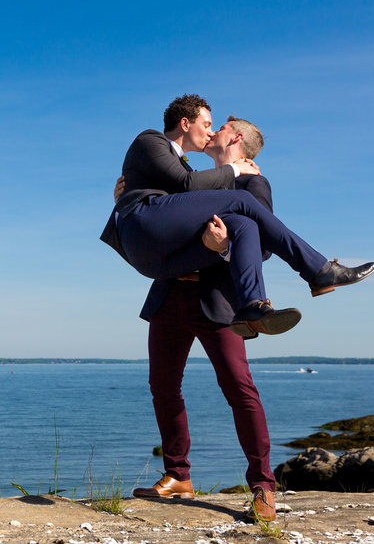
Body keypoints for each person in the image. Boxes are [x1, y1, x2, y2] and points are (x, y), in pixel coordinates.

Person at [99, 94, 374, 336]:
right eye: (207, 125)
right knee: (241, 200)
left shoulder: (191, 171)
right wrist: (235, 170)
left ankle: (252, 306)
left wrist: (223, 246)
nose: (210, 132)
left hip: (162, 262)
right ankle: (318, 270)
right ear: (185, 124)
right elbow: (185, 186)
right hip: (144, 228)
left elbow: (187, 193)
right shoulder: (151, 140)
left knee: (243, 224)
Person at [116, 114, 279, 520]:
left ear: (236, 137)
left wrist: (223, 247)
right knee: (163, 387)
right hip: (170, 293)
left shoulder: (253, 183)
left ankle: (262, 487)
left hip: (216, 300)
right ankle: (178, 477)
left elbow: (261, 250)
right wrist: (124, 197)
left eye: (222, 124)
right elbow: (157, 223)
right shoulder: (189, 179)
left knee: (239, 388)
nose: (213, 129)